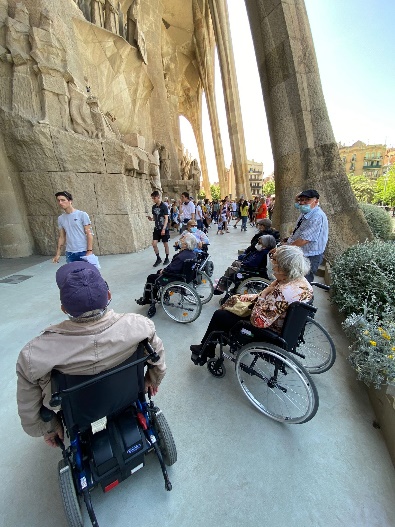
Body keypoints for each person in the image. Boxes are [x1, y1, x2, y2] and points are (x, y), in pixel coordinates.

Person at [16, 261, 166, 445]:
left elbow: (28, 409)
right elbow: (158, 362)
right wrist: (152, 379)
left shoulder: (33, 355)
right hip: (127, 394)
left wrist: (49, 428)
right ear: (109, 295)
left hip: (79, 413)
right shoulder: (140, 326)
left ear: (63, 308)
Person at [190, 245, 313, 365]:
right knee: (236, 299)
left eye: (274, 259)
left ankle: (206, 349)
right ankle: (213, 342)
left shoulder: (282, 292)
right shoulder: (302, 282)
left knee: (220, 315)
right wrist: (253, 297)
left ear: (283, 266)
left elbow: (258, 322)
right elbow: (271, 296)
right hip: (285, 325)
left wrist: (263, 295)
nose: (271, 261)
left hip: (267, 331)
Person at [136, 233, 197, 306]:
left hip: (175, 279)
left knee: (151, 277)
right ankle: (160, 294)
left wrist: (163, 271)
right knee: (158, 274)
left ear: (185, 245)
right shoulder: (192, 254)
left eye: (182, 239)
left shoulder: (181, 257)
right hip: (186, 277)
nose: (180, 240)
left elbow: (170, 270)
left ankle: (148, 299)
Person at [286, 189, 328, 282]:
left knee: (304, 283)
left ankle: (308, 297)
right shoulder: (306, 211)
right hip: (303, 253)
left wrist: (286, 249)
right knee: (297, 281)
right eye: (301, 200)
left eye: (307, 200)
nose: (302, 203)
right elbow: (296, 202)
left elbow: (304, 240)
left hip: (310, 256)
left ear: (316, 201)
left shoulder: (317, 216)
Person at [52, 191, 94, 264]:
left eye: (63, 200)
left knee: (86, 274)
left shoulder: (82, 215)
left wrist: (89, 251)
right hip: (70, 253)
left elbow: (89, 234)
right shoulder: (60, 218)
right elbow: (62, 237)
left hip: (83, 251)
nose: (60, 203)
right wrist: (58, 254)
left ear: (70, 201)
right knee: (73, 275)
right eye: (58, 201)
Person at [147, 190, 170, 267]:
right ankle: (158, 258)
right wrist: (151, 219)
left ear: (158, 197)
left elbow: (166, 218)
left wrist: (164, 228)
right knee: (154, 244)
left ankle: (167, 258)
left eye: (154, 198)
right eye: (152, 198)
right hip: (157, 228)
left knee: (165, 244)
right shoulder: (153, 207)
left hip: (163, 228)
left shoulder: (164, 206)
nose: (153, 200)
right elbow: (154, 218)